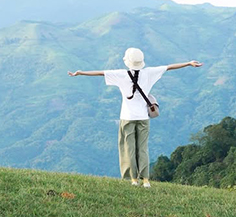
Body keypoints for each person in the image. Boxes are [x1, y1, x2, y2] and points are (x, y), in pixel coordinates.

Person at [68, 47, 202, 187]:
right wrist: (188, 63)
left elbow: (99, 73)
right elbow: (169, 67)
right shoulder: (149, 73)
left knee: (129, 148)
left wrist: (80, 73)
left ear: (128, 61)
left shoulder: (121, 75)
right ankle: (146, 180)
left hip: (127, 117)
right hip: (143, 117)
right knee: (142, 148)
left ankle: (133, 179)